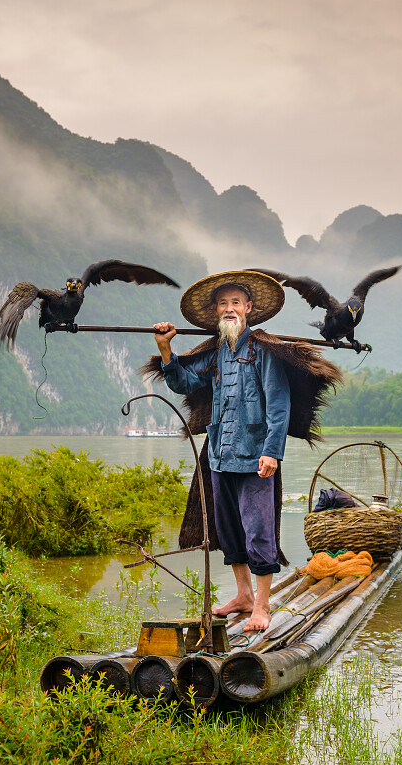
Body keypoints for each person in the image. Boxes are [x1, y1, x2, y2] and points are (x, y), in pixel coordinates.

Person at [152, 270, 293, 631]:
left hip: (255, 458)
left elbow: (278, 405)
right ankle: (243, 595)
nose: (229, 309)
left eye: (236, 302)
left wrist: (272, 452)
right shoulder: (214, 354)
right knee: (229, 530)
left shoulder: (263, 351)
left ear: (248, 308)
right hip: (220, 456)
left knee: (259, 530)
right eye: (223, 303)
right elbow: (183, 380)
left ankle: (262, 607)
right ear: (216, 310)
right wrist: (166, 349)